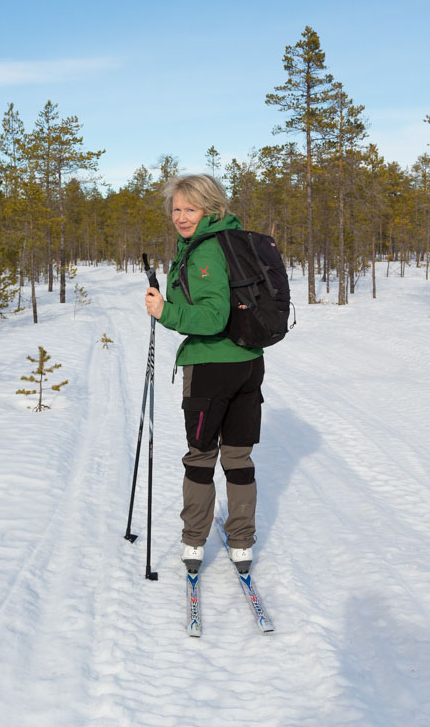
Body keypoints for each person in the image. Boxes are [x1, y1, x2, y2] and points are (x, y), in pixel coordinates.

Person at [144, 174, 265, 575]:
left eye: (189, 209)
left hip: (212, 368)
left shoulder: (206, 252)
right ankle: (242, 543)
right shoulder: (230, 243)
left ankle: (194, 542)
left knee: (201, 458)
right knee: (238, 456)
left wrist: (166, 312)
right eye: (176, 209)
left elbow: (214, 317)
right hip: (248, 363)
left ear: (211, 209)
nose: (180, 217)